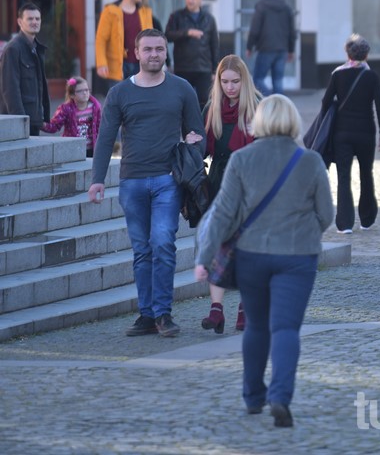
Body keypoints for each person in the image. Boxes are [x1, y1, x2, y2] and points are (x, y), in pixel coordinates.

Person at [195, 94, 333, 428]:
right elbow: (327, 215)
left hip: (252, 255)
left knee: (256, 326)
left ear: (259, 121)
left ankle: (254, 396)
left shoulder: (242, 159)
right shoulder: (310, 161)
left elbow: (224, 214)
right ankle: (281, 397)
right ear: (293, 121)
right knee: (286, 327)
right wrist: (304, 231)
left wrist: (204, 257)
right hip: (298, 256)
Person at [88, 28, 205, 337]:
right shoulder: (119, 93)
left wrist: (194, 149)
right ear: (135, 54)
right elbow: (105, 138)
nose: (154, 54)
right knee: (141, 250)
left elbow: (198, 134)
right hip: (132, 183)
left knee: (164, 243)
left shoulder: (182, 89)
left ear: (166, 53)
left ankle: (164, 314)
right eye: (148, 49)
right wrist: (97, 179)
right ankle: (146, 314)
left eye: (159, 49)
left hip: (168, 181)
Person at [197, 55, 261, 333]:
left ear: (244, 81)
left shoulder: (258, 108)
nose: (230, 87)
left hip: (250, 183)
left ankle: (245, 307)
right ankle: (216, 309)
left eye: (235, 81)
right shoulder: (212, 109)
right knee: (218, 246)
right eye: (225, 82)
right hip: (219, 182)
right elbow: (203, 149)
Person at [321, 34, 380, 233]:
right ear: (366, 55)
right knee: (366, 174)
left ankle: (344, 223)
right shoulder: (371, 76)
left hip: (342, 133)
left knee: (343, 176)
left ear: (347, 53)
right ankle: (366, 219)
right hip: (366, 132)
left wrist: (326, 127)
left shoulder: (337, 74)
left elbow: (325, 102)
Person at [165, 0, 220, 107]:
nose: (190, 0)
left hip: (203, 68)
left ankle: (203, 126)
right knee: (182, 102)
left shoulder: (209, 19)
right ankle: (184, 126)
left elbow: (214, 45)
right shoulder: (176, 16)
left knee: (205, 103)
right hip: (183, 68)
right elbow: (167, 36)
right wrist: (187, 32)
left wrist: (215, 70)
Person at [0, 2, 49, 136]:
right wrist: (20, 121)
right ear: (20, 22)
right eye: (30, 19)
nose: (35, 22)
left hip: (34, 120)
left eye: (37, 19)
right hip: (20, 123)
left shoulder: (37, 48)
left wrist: (43, 115)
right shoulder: (13, 49)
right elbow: (10, 90)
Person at [96, 0, 154, 81]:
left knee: (140, 96)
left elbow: (151, 37)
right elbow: (101, 39)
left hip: (140, 64)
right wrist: (101, 63)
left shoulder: (145, 12)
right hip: (118, 65)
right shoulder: (110, 12)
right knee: (118, 96)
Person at [246, 0, 296, 96]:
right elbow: (292, 31)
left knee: (257, 79)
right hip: (282, 49)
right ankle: (279, 107)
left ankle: (270, 100)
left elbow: (254, 29)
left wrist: (249, 46)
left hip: (265, 49)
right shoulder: (286, 7)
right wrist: (291, 50)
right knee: (278, 81)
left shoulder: (261, 6)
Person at [41, 77, 102, 157]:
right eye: (80, 91)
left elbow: (100, 127)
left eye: (87, 90)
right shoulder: (66, 109)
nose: (85, 93)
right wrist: (39, 124)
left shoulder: (95, 108)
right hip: (73, 150)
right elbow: (54, 126)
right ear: (72, 95)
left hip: (91, 150)